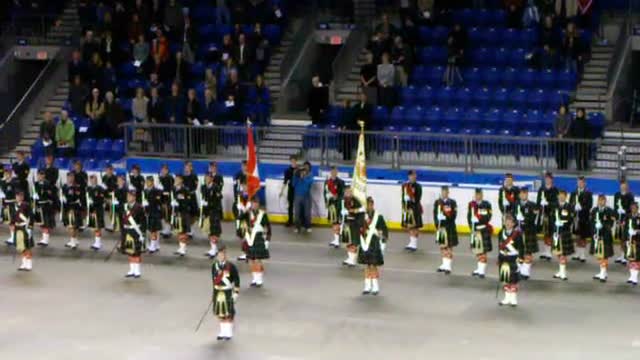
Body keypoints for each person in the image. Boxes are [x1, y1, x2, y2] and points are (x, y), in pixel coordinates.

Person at [358, 197, 389, 295]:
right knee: (367, 266)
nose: (368, 207)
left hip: (374, 242)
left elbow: (384, 229)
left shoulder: (378, 217)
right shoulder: (362, 216)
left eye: (370, 204)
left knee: (373, 265)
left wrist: (383, 239)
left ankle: (375, 286)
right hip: (365, 242)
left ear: (372, 205)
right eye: (366, 205)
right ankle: (367, 286)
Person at [211, 244, 240, 341]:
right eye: (219, 255)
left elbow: (236, 279)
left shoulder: (231, 266)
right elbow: (213, 280)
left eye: (222, 255)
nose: (220, 257)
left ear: (225, 255)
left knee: (228, 313)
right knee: (220, 313)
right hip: (218, 291)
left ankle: (229, 332)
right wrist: (214, 294)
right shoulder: (214, 266)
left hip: (227, 291)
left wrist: (236, 293)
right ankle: (222, 332)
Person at [244, 196, 271, 287]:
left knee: (258, 259)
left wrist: (267, 240)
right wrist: (244, 210)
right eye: (253, 203)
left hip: (258, 238)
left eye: (256, 203)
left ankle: (259, 279)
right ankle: (254, 278)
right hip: (249, 238)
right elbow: (239, 218)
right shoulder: (248, 213)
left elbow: (268, 228)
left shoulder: (262, 214)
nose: (254, 205)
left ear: (258, 204)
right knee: (251, 259)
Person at [498, 215, 524, 307]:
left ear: (513, 224)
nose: (508, 223)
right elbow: (499, 246)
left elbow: (521, 248)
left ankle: (513, 298)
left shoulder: (517, 234)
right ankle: (506, 297)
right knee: (505, 278)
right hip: (503, 258)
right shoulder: (501, 232)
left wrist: (520, 260)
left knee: (513, 279)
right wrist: (499, 258)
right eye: (506, 221)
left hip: (513, 258)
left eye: (510, 222)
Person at [514, 187, 539, 279]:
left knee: (528, 252)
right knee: (519, 252)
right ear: (519, 194)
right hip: (518, 231)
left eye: (525, 193)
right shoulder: (516, 204)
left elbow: (533, 219)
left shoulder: (533, 205)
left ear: (527, 194)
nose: (523, 195)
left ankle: (526, 272)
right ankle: (519, 269)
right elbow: (512, 216)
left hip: (529, 231)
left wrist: (524, 219)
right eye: (521, 193)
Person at [468, 188, 493, 279]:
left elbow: (488, 217)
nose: (478, 196)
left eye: (479, 194)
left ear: (482, 195)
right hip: (475, 230)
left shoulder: (486, 204)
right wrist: (471, 226)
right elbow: (469, 217)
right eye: (476, 194)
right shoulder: (471, 204)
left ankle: (482, 271)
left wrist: (478, 218)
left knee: (483, 251)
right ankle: (479, 269)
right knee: (478, 251)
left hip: (483, 230)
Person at [121, 189, 146, 279]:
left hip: (136, 231)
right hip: (127, 231)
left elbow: (143, 221)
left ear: (134, 197)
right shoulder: (125, 206)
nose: (128, 198)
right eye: (128, 196)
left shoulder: (139, 207)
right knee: (129, 250)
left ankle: (137, 270)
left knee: (136, 251)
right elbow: (123, 219)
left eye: (130, 196)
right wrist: (122, 231)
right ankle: (131, 269)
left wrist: (142, 233)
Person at [591, 194, 615, 282]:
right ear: (597, 201)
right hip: (597, 235)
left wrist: (603, 226)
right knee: (599, 255)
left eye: (603, 200)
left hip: (605, 236)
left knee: (604, 255)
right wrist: (594, 228)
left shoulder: (609, 211)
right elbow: (591, 222)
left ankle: (603, 272)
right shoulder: (594, 210)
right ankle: (602, 272)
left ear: (605, 201)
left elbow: (611, 224)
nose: (601, 202)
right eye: (599, 200)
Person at [201, 167, 224, 258]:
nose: (206, 179)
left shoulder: (216, 187)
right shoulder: (203, 187)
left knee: (214, 231)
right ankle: (213, 248)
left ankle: (214, 249)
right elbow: (203, 197)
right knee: (209, 230)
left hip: (214, 211)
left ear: (212, 178)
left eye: (208, 178)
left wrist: (209, 203)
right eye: (205, 177)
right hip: (207, 212)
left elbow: (219, 198)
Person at [434, 186, 458, 274]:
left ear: (448, 193)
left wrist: (445, 218)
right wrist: (437, 222)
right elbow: (434, 214)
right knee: (442, 246)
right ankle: (444, 264)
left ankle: (448, 266)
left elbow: (454, 215)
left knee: (449, 247)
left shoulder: (452, 203)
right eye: (442, 192)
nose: (444, 194)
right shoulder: (437, 202)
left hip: (449, 227)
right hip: (441, 228)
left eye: (445, 192)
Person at [569, 176, 593, 262]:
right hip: (576, 217)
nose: (580, 184)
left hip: (584, 217)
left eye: (582, 182)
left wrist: (582, 208)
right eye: (578, 182)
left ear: (585, 183)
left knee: (583, 236)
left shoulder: (588, 193)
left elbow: (590, 205)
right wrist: (573, 207)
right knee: (577, 236)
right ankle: (577, 253)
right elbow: (570, 203)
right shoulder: (573, 193)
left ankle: (583, 254)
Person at [536, 172, 559, 260]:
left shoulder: (555, 190)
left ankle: (549, 251)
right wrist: (540, 205)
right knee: (544, 233)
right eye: (546, 178)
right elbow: (538, 201)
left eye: (549, 179)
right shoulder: (541, 189)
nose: (548, 180)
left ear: (552, 180)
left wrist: (548, 203)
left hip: (550, 214)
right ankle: (545, 251)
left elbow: (556, 203)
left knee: (549, 233)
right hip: (543, 214)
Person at [552, 190, 574, 280]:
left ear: (566, 197)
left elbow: (570, 219)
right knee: (558, 253)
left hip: (565, 231)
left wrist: (563, 223)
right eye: (560, 195)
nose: (561, 197)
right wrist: (554, 222)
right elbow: (551, 217)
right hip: (556, 232)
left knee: (563, 254)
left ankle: (563, 272)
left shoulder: (569, 206)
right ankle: (560, 271)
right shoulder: (554, 205)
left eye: (563, 196)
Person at [341, 186, 365, 267]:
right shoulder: (342, 200)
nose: (348, 193)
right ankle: (349, 258)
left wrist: (360, 224)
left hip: (354, 224)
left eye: (350, 191)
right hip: (346, 224)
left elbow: (361, 212)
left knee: (353, 243)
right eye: (347, 192)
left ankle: (352, 260)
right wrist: (341, 214)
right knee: (347, 242)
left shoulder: (355, 201)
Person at [614, 180, 634, 265]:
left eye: (625, 185)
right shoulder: (617, 195)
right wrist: (616, 215)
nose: (623, 187)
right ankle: (621, 255)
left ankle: (625, 255)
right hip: (619, 219)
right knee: (620, 238)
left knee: (625, 238)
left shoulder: (630, 196)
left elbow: (632, 209)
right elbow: (615, 207)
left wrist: (625, 211)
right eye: (622, 186)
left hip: (626, 219)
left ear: (627, 186)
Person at [13, 190, 34, 272]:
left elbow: (31, 217)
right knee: (20, 246)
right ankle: (23, 262)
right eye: (17, 196)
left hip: (25, 227)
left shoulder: (26, 205)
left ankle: (29, 263)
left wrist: (30, 227)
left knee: (27, 246)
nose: (19, 197)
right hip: (17, 228)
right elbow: (13, 217)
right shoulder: (14, 205)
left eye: (20, 196)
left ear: (23, 197)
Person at [172, 175, 193, 257]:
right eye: (175, 179)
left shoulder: (185, 190)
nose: (176, 180)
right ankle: (180, 247)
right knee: (178, 230)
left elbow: (188, 201)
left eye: (177, 179)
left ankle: (183, 248)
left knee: (183, 231)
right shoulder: (174, 189)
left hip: (183, 213)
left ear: (181, 180)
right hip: (176, 213)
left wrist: (179, 204)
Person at [402, 170, 423, 252]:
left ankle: (414, 244)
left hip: (415, 208)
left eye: (414, 175)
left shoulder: (418, 186)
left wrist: (411, 199)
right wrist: (404, 205)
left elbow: (418, 198)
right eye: (411, 175)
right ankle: (411, 242)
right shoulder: (405, 185)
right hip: (407, 208)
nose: (413, 177)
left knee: (415, 226)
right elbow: (403, 196)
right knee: (409, 226)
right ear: (408, 176)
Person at [33, 170, 55, 247]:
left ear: (44, 176)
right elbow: (34, 192)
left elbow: (51, 194)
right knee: (41, 223)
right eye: (38, 175)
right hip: (39, 205)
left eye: (41, 175)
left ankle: (46, 240)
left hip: (46, 205)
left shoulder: (48, 184)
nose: (40, 176)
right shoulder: (36, 184)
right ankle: (43, 238)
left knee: (46, 223)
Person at [325, 166, 345, 248]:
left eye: (335, 171)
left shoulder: (341, 182)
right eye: (332, 171)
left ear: (337, 172)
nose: (334, 173)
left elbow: (342, 195)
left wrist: (337, 197)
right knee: (333, 222)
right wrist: (326, 201)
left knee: (336, 222)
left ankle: (337, 240)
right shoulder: (327, 182)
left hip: (337, 205)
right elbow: (325, 192)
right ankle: (336, 239)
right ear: (330, 172)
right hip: (331, 205)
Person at [62, 172, 82, 250]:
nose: (70, 178)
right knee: (69, 224)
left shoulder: (76, 187)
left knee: (73, 225)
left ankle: (73, 241)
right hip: (66, 207)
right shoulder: (64, 186)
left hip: (73, 207)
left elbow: (77, 197)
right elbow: (63, 195)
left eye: (72, 177)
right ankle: (73, 240)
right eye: (69, 177)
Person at [233, 161, 249, 261]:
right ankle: (245, 251)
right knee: (240, 232)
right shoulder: (237, 176)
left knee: (247, 233)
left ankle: (247, 252)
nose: (244, 187)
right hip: (239, 210)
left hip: (247, 214)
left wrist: (245, 207)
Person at [144, 176, 163, 254]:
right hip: (147, 212)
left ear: (152, 182)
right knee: (149, 229)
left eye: (149, 181)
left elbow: (159, 202)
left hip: (154, 212)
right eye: (147, 181)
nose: (147, 183)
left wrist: (149, 204)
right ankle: (155, 244)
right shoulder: (145, 191)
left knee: (153, 229)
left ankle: (153, 246)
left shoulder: (156, 191)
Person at [292, 162, 314, 233]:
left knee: (307, 213)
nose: (305, 169)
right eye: (304, 167)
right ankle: (297, 227)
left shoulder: (310, 175)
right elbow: (293, 184)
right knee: (297, 213)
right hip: (297, 196)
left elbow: (309, 183)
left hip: (306, 196)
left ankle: (307, 226)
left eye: (307, 167)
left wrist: (303, 178)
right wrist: (296, 176)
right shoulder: (297, 176)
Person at [87, 174, 106, 251]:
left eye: (94, 179)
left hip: (98, 209)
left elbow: (102, 199)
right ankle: (96, 242)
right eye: (91, 179)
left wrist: (94, 201)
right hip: (91, 209)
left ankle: (98, 243)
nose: (92, 181)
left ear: (97, 180)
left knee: (98, 226)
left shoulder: (100, 189)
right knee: (94, 226)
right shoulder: (88, 188)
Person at [1, 167, 18, 245]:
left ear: (11, 173)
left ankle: (14, 237)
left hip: (12, 203)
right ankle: (12, 237)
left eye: (8, 172)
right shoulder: (2, 182)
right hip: (6, 204)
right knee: (9, 221)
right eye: (5, 172)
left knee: (12, 222)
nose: (6, 174)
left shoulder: (14, 182)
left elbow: (16, 193)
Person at [158, 164, 175, 238]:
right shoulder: (161, 177)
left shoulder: (169, 178)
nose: (163, 171)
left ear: (167, 170)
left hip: (167, 198)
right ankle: (165, 228)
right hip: (162, 198)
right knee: (162, 213)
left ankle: (168, 230)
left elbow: (171, 189)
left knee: (167, 213)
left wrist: (164, 191)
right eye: (162, 169)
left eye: (165, 170)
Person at [626, 202, 640, 285]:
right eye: (632, 208)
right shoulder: (628, 217)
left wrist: (636, 231)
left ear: (637, 208)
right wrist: (626, 238)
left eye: (635, 208)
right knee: (630, 259)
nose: (633, 209)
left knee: (637, 259)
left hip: (637, 241)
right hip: (629, 240)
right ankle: (631, 276)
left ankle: (635, 277)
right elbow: (624, 227)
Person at [554, 105, 571, 170]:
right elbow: (555, 126)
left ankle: (564, 165)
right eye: (561, 109)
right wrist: (558, 134)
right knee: (558, 152)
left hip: (565, 137)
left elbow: (568, 127)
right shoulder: (557, 116)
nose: (562, 110)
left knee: (565, 152)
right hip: (558, 137)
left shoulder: (568, 117)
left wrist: (563, 134)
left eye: (563, 109)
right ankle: (559, 165)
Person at [101, 164, 117, 232]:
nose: (109, 171)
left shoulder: (115, 178)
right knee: (105, 211)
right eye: (107, 170)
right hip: (105, 197)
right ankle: (107, 223)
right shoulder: (104, 177)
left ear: (112, 170)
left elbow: (115, 188)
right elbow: (103, 186)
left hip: (111, 197)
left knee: (112, 211)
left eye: (110, 170)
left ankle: (113, 225)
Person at [282, 155, 297, 227]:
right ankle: (290, 220)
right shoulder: (287, 171)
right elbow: (285, 181)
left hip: (298, 190)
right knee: (290, 206)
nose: (293, 162)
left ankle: (298, 221)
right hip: (291, 190)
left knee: (298, 206)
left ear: (296, 161)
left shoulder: (299, 170)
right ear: (290, 161)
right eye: (292, 161)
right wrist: (282, 191)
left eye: (294, 161)